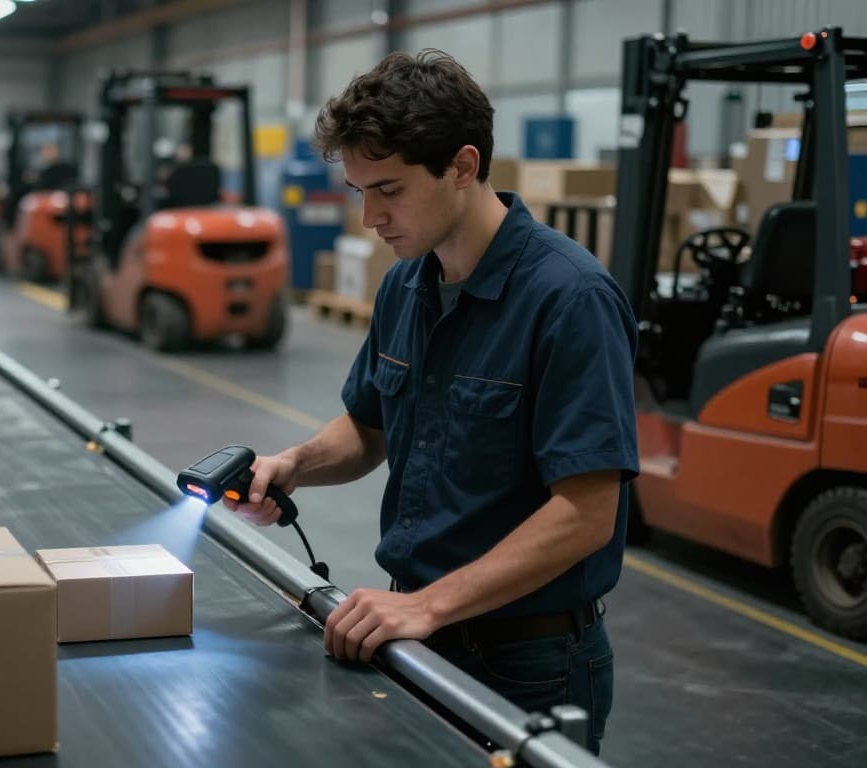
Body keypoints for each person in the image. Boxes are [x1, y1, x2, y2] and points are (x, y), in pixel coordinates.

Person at [224, 50, 638, 756]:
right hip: (419, 637)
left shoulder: (569, 300)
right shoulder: (407, 284)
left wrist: (427, 605)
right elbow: (368, 426)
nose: (368, 218)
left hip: (528, 664)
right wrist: (292, 464)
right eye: (358, 190)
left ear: (464, 165)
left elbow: (586, 515)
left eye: (387, 189)